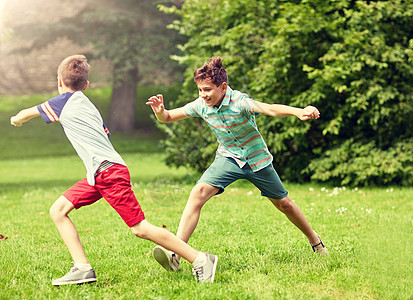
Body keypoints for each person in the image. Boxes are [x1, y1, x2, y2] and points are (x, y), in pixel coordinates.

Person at [10, 55, 218, 285]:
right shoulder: (89, 106)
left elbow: (28, 112)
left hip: (108, 173)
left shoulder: (63, 102)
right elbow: (105, 134)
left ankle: (200, 259)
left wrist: (16, 119)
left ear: (59, 82)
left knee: (140, 228)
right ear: (86, 85)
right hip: (99, 174)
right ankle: (82, 268)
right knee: (58, 210)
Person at [146, 56, 328, 272]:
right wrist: (159, 111)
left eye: (207, 89)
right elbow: (167, 117)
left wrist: (299, 111)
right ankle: (176, 253)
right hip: (228, 158)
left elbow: (269, 109)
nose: (203, 95)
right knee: (198, 192)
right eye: (200, 90)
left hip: (257, 160)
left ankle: (315, 240)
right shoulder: (201, 105)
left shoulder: (240, 102)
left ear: (223, 87)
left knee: (285, 204)